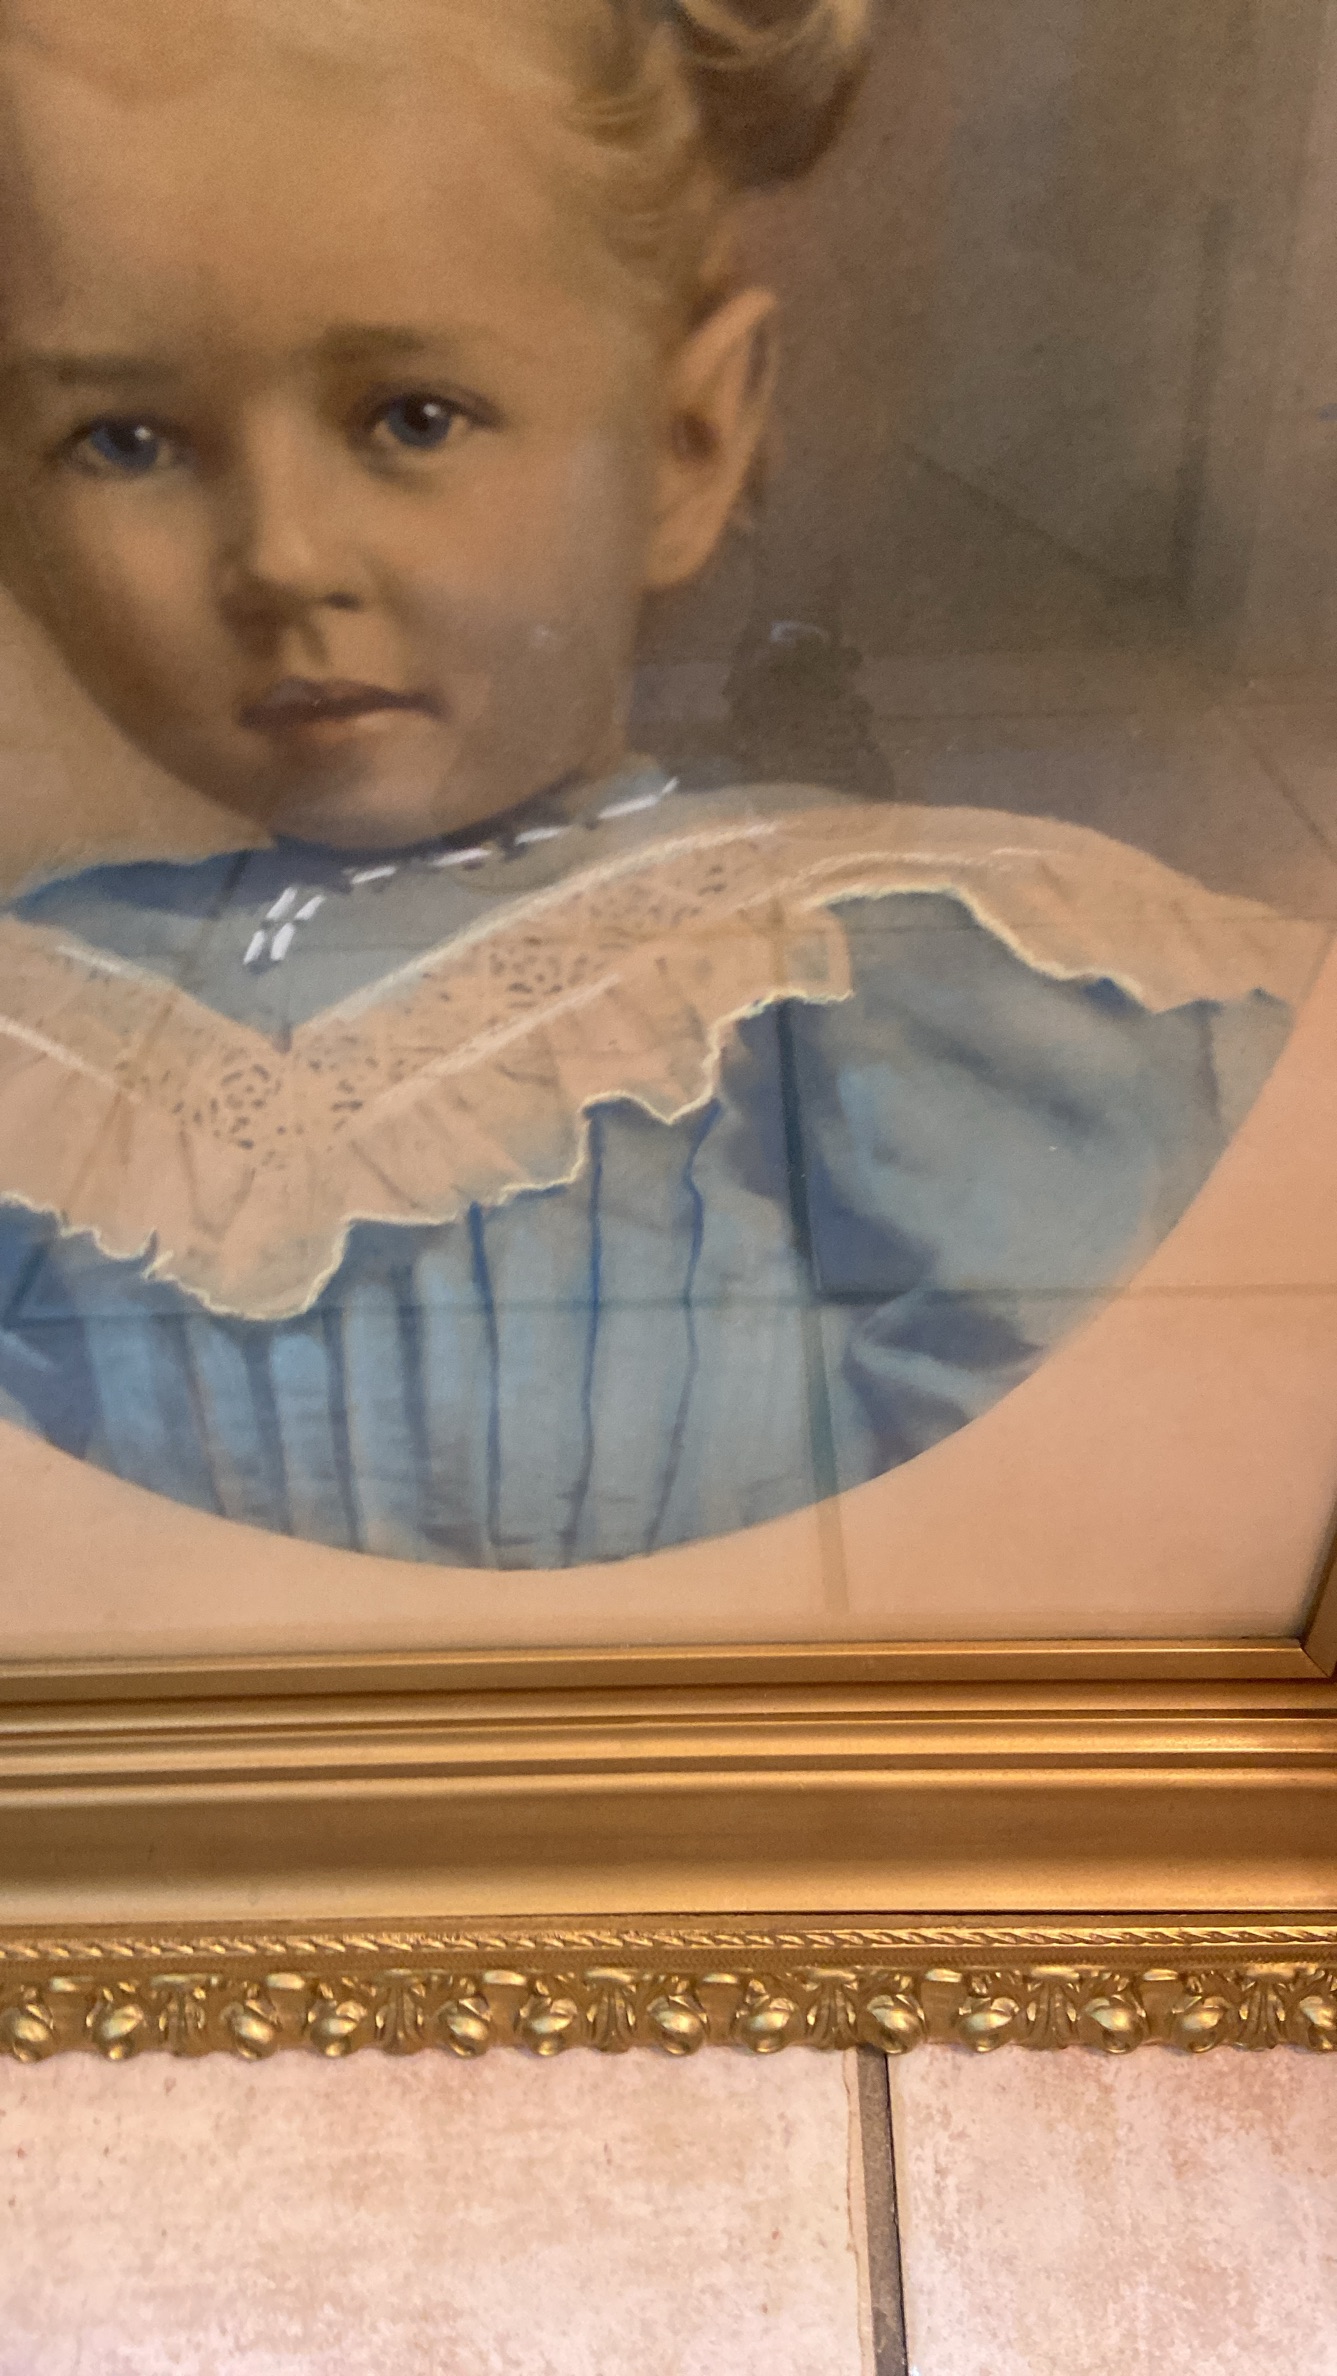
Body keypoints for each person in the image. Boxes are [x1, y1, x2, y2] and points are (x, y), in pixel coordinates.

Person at [0, 0, 1314, 1569]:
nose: (278, 558)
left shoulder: (865, 982)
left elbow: (1082, 1576)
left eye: (412, 417)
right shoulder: (39, 1037)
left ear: (687, 445)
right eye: (126, 441)